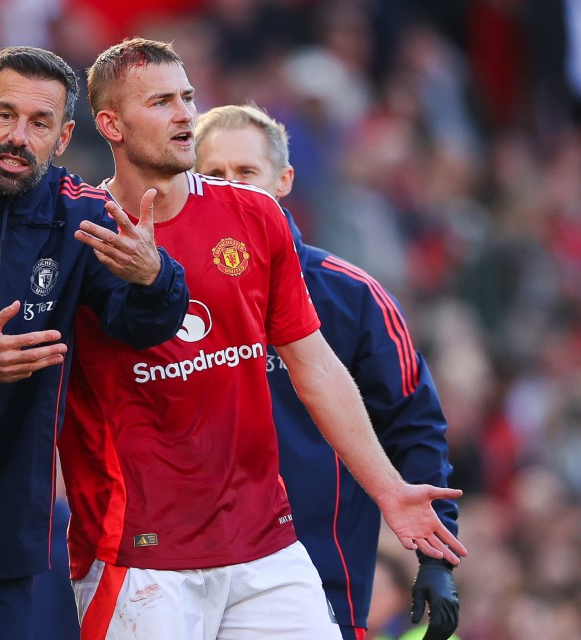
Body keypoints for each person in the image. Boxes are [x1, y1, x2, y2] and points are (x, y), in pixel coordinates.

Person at [58, 37, 466, 639]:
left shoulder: (254, 218)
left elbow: (316, 368)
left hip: (265, 546)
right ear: (110, 124)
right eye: (161, 101)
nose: (183, 114)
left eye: (187, 97)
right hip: (139, 555)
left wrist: (392, 493)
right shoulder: (76, 229)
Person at [0, 47, 188, 640]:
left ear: (63, 138)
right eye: (6, 115)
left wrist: (155, 277)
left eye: (39, 124)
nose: (18, 137)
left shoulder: (80, 217)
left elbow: (140, 326)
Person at [194, 103, 460, 640]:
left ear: (284, 179)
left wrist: (437, 559)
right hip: (187, 572)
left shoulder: (352, 296)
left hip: (322, 576)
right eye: (213, 175)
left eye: (246, 173)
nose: (231, 188)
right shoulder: (162, 293)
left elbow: (416, 427)